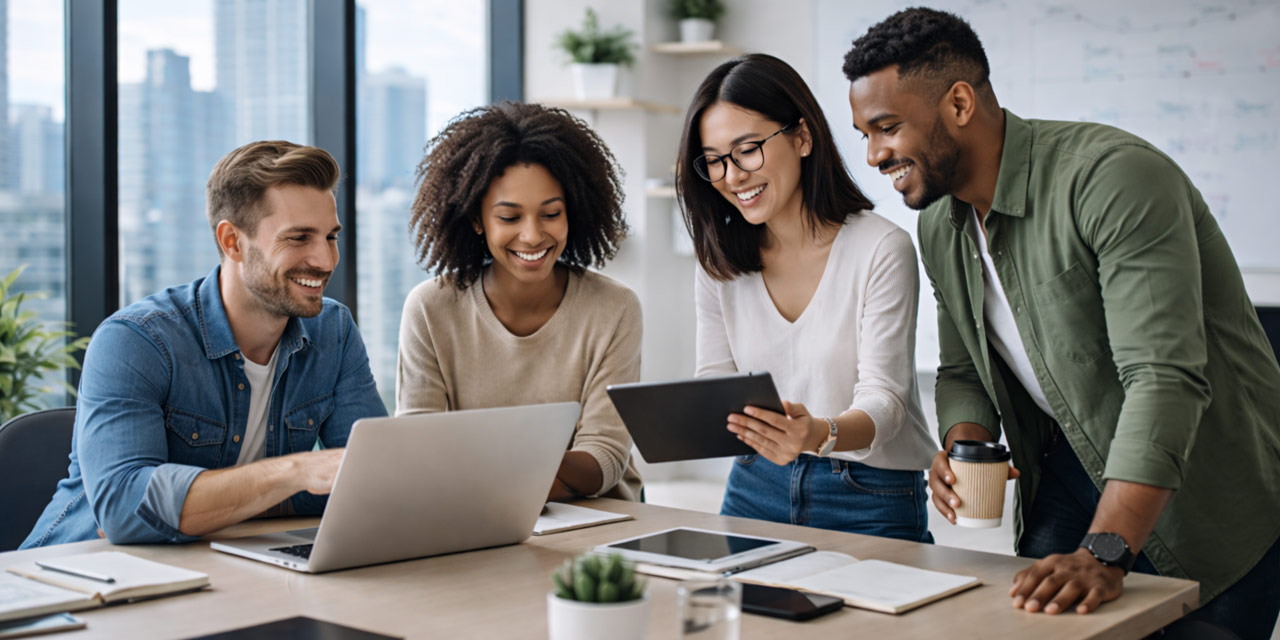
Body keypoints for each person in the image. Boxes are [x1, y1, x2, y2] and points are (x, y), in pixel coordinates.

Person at [843, 8, 1280, 638]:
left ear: (959, 103)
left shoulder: (1111, 178)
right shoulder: (940, 226)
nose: (875, 154)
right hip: (1068, 471)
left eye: (887, 128)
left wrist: (1105, 552)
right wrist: (964, 444)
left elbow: (1163, 378)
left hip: (1207, 491)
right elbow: (964, 367)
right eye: (864, 134)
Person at [22, 141, 387, 548]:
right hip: (73, 578)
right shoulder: (136, 340)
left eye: (331, 236)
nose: (325, 260)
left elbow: (374, 483)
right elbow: (125, 508)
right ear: (232, 242)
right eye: (299, 237)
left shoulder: (333, 331)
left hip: (215, 569)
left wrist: (214, 502)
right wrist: (297, 473)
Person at [676, 53, 938, 541]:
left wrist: (819, 433)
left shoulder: (881, 248)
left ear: (801, 137)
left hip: (869, 492)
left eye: (747, 149)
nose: (732, 176)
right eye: (714, 161)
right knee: (743, 616)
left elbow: (886, 401)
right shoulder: (719, 262)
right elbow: (715, 380)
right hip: (756, 483)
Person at [396, 102, 643, 502]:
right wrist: (527, 471)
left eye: (551, 213)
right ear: (477, 220)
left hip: (594, 520)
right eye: (510, 218)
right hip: (469, 514)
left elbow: (606, 457)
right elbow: (419, 449)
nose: (532, 236)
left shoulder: (614, 308)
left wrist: (490, 468)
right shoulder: (430, 309)